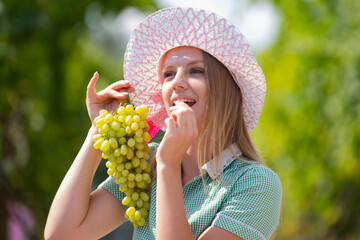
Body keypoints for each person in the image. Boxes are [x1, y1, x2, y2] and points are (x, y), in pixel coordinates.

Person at [45, 7, 282, 240]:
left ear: (226, 90)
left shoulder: (256, 184)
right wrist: (98, 131)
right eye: (168, 74)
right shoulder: (146, 163)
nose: (177, 82)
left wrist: (168, 166)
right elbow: (61, 235)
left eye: (196, 71)